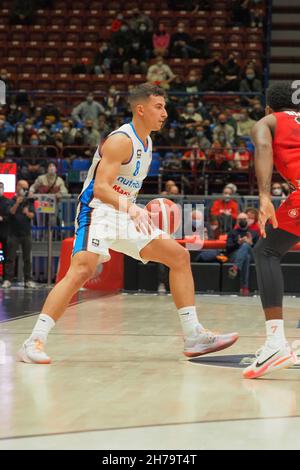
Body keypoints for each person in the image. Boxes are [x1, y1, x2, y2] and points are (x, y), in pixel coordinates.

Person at [17, 83, 238, 364]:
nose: (165, 113)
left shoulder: (148, 143)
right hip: (98, 211)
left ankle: (193, 334)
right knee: (82, 269)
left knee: (179, 256)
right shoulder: (121, 140)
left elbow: (124, 189)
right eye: (159, 107)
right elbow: (100, 188)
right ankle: (33, 340)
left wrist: (134, 210)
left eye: (165, 107)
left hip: (124, 213)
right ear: (141, 109)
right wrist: (131, 208)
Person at [243, 81, 300, 379]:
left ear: (269, 107)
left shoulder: (268, 121)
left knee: (266, 251)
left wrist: (264, 196)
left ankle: (276, 342)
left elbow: (263, 145)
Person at [2, 180, 36, 289]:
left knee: (27, 258)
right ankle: (8, 280)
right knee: (10, 258)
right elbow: (10, 213)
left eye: (26, 188)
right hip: (13, 233)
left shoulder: (29, 201)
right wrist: (17, 203)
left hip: (26, 233)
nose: (25, 190)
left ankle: (28, 280)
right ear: (18, 187)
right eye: (23, 188)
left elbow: (32, 215)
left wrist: (27, 212)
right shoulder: (11, 200)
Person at [226, 212, 259, 296]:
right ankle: (245, 288)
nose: (243, 221)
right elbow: (228, 248)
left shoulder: (254, 233)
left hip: (253, 255)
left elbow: (259, 249)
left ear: (248, 220)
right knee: (246, 257)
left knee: (245, 246)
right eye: (240, 219)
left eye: (244, 219)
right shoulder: (232, 233)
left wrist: (251, 243)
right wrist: (238, 243)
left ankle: (235, 268)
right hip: (235, 255)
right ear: (237, 221)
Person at [0, 182, 11, 283]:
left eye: (1, 187)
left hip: (4, 232)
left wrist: (2, 218)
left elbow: (10, 215)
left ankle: (6, 278)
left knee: (6, 256)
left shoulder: (7, 201)